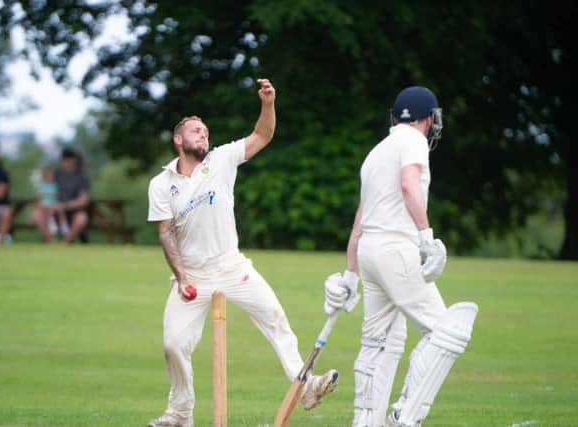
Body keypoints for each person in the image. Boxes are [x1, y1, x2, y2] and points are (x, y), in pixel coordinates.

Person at [147, 79, 339, 427]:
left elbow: (262, 136)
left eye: (205, 131)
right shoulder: (162, 184)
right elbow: (165, 233)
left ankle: (306, 383)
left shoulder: (221, 159)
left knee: (275, 318)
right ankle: (180, 413)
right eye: (195, 131)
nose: (203, 135)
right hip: (192, 275)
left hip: (233, 267)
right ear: (178, 140)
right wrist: (181, 278)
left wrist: (268, 104)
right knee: (174, 344)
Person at [323, 86, 478, 427]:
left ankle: (365, 422)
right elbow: (409, 184)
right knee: (448, 331)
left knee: (380, 341)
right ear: (427, 119)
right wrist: (426, 236)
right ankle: (404, 417)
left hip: (370, 252)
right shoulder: (414, 141)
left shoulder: (376, 152)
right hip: (396, 247)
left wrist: (350, 275)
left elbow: (360, 219)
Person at [31, 148, 91, 243]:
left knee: (81, 218)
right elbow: (43, 190)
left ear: (74, 160)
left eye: (68, 159)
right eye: (64, 159)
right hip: (53, 211)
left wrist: (64, 206)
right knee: (36, 214)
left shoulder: (81, 177)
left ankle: (65, 243)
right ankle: (52, 242)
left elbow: (83, 200)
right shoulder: (55, 174)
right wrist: (44, 204)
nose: (65, 162)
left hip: (72, 211)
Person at [36, 165, 70, 236]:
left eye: (52, 175)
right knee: (50, 210)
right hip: (45, 204)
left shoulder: (55, 185)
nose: (51, 177)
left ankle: (64, 225)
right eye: (50, 175)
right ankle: (51, 223)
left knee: (60, 210)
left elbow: (57, 195)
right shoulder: (42, 185)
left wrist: (47, 194)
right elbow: (39, 197)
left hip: (53, 203)